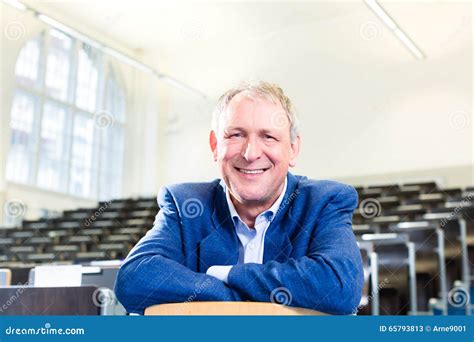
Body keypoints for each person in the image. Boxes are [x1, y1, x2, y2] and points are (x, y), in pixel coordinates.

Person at [115, 81, 363, 315]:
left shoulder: (324, 201)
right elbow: (135, 278)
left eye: (268, 136)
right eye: (236, 135)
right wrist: (234, 301)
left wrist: (228, 275)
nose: (250, 153)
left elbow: (340, 287)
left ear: (293, 149)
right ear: (215, 145)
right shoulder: (184, 204)